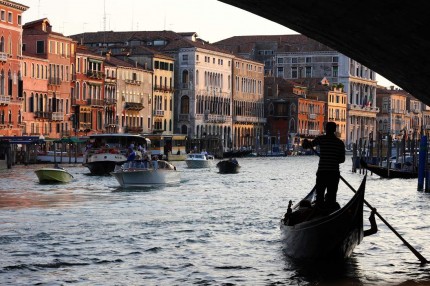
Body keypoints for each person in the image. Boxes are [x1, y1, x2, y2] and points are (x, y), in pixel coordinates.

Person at [302, 121, 345, 209]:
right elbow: (342, 159)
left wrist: (305, 142)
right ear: (334, 130)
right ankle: (329, 212)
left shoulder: (321, 139)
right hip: (334, 173)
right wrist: (333, 160)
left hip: (322, 173)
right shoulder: (340, 143)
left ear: (326, 129)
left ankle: (319, 212)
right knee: (332, 197)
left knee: (320, 196)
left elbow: (306, 146)